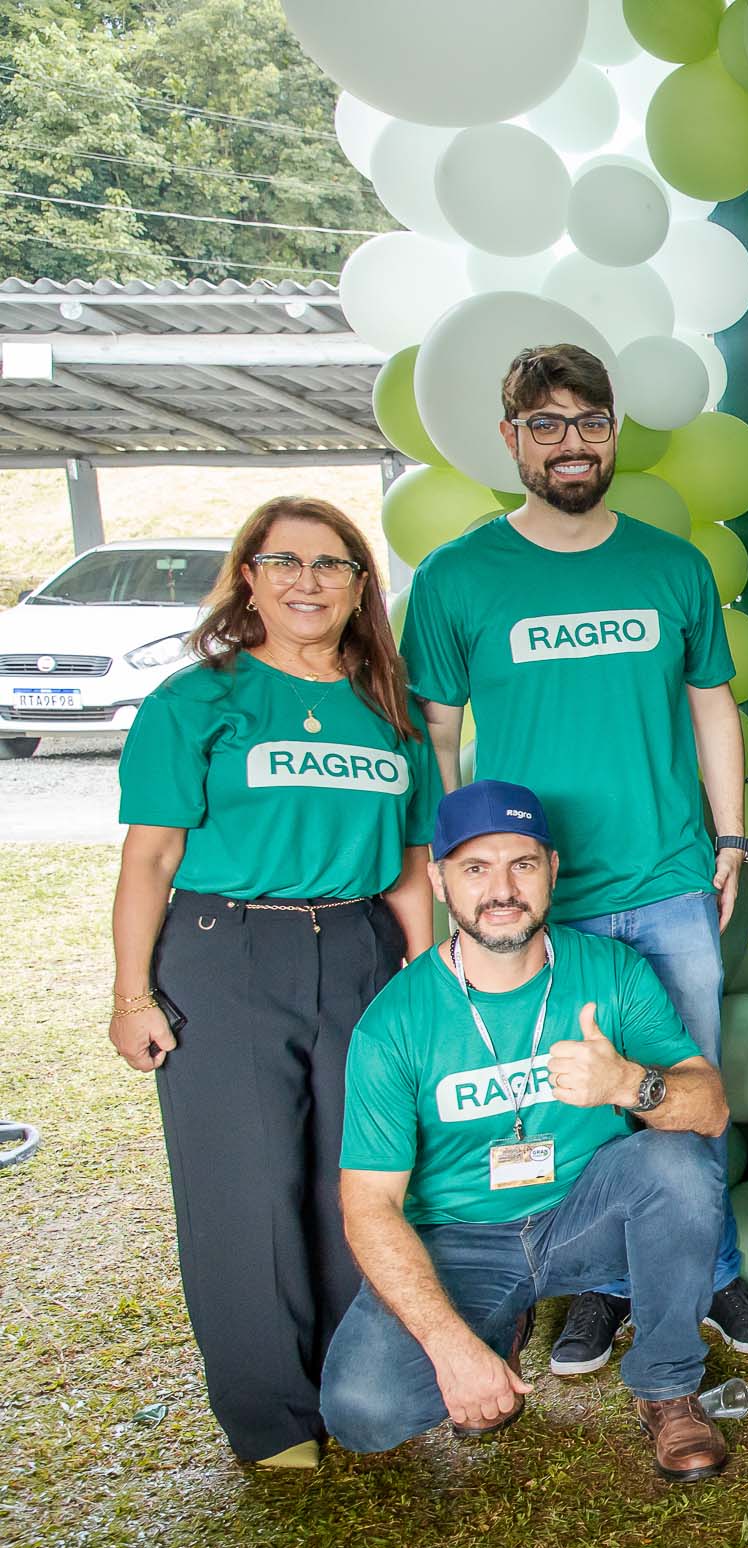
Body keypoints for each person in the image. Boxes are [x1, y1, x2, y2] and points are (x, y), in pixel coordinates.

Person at [399, 342, 748, 1370]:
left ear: (615, 431)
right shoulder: (457, 576)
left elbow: (712, 704)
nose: (574, 445)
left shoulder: (670, 565)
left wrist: (730, 832)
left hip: (666, 882)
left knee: (684, 1090)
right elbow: (435, 737)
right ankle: (601, 1286)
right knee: (571, 1098)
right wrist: (455, 879)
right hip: (533, 900)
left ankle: (706, 1274)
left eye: (591, 422)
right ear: (511, 439)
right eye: (549, 426)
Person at [107, 497, 437, 1469]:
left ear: (360, 589)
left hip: (362, 944)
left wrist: (423, 978)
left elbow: (413, 859)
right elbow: (149, 857)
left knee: (363, 1177)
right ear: (247, 574)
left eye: (331, 564)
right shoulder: (198, 699)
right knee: (245, 1187)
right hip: (227, 951)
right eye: (284, 560)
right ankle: (272, 1417)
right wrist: (133, 995)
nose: (307, 580)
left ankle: (354, 1385)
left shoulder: (390, 707)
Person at [319, 781, 737, 1482]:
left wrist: (630, 1084)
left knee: (678, 1162)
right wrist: (451, 1348)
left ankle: (667, 1386)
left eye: (523, 863)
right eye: (476, 867)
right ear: (438, 878)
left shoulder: (609, 970)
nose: (502, 888)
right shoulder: (394, 1023)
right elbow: (369, 1205)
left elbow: (713, 1108)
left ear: (553, 869)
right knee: (364, 1409)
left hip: (582, 1215)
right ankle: (492, 1332)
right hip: (460, 1242)